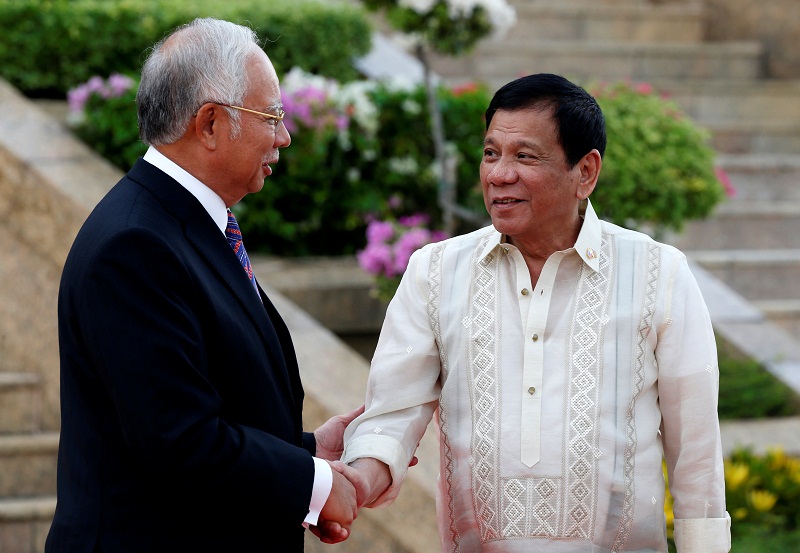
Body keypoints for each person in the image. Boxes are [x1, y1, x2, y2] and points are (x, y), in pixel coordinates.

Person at [337, 73, 731, 552]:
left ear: (585, 172)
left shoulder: (657, 273)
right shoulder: (435, 271)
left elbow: (695, 448)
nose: (499, 174)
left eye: (524, 156)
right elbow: (393, 413)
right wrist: (357, 478)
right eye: (490, 153)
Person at [45, 18, 359, 552]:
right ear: (210, 123)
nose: (284, 137)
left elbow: (207, 400)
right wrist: (317, 485)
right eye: (272, 117)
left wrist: (306, 453)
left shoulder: (178, 224)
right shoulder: (135, 245)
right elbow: (179, 441)